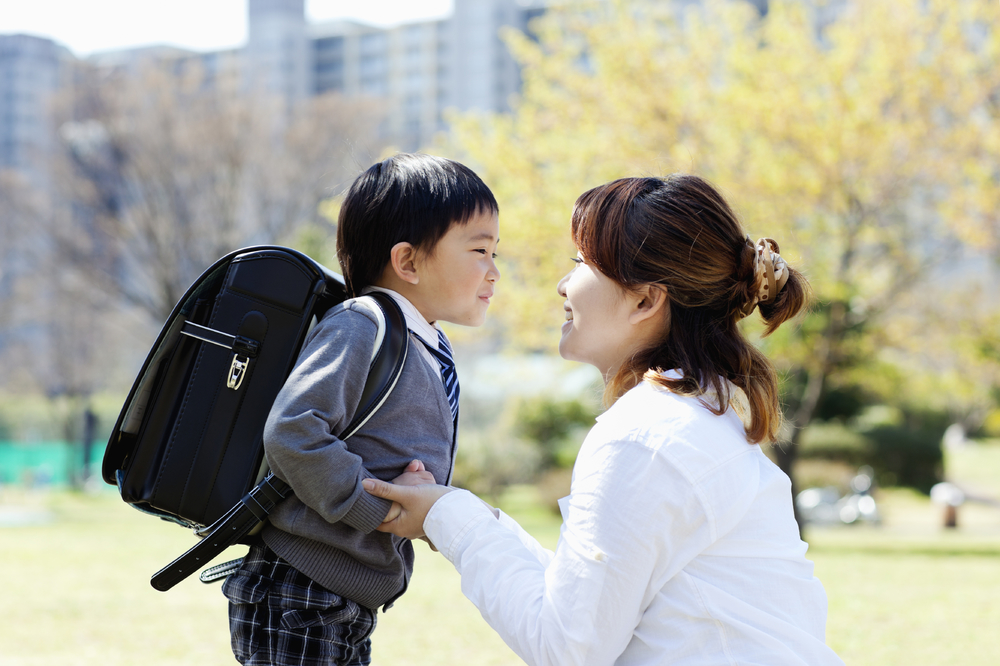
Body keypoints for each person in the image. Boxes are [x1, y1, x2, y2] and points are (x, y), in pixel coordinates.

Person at [364, 175, 844, 665]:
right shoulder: (695, 415)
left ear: (645, 300)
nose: (563, 284)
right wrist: (457, 512)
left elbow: (566, 648)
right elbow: (588, 602)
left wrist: (446, 518)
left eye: (580, 263)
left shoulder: (644, 438)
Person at [221, 153, 501, 666]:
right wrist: (380, 510)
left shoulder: (426, 343)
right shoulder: (364, 323)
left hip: (345, 594)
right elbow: (293, 431)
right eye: (480, 250)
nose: (494, 271)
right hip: (300, 588)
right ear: (409, 262)